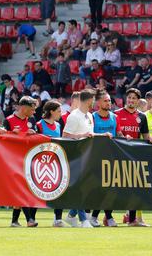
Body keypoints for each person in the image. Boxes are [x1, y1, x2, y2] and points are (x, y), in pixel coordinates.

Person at [115, 88, 152, 227]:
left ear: (138, 101)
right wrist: (123, 138)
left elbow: (145, 136)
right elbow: (114, 133)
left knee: (134, 187)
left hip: (134, 156)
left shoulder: (142, 116)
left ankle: (132, 220)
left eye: (134, 98)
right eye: (129, 97)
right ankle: (106, 216)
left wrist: (151, 139)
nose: (131, 100)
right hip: (117, 155)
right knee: (114, 187)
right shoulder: (116, 114)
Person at [62, 89, 96, 228]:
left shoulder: (89, 115)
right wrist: (81, 135)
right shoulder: (73, 116)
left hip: (87, 155)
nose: (93, 102)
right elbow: (65, 135)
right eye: (93, 99)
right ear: (89, 100)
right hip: (75, 156)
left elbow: (90, 134)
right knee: (80, 188)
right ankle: (84, 220)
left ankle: (71, 215)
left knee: (86, 188)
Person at [3, 96, 38, 227]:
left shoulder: (32, 120)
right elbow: (2, 139)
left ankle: (14, 221)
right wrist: (13, 134)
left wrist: (33, 134)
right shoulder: (9, 121)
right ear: (23, 108)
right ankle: (29, 219)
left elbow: (37, 138)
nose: (34, 112)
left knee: (22, 190)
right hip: (13, 160)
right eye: (32, 109)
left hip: (29, 159)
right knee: (21, 189)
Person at [90, 90, 122, 227]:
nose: (108, 103)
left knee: (110, 190)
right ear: (98, 103)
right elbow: (89, 135)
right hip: (95, 158)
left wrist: (125, 138)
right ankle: (102, 217)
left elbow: (118, 133)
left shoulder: (114, 117)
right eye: (105, 100)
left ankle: (99, 217)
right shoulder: (92, 117)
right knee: (98, 189)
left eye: (109, 100)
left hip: (111, 157)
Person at [35, 100, 66, 227]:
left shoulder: (58, 125)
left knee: (59, 191)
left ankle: (58, 219)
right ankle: (31, 218)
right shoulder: (39, 125)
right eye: (59, 111)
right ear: (51, 112)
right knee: (37, 191)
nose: (61, 113)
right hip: (41, 163)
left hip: (55, 162)